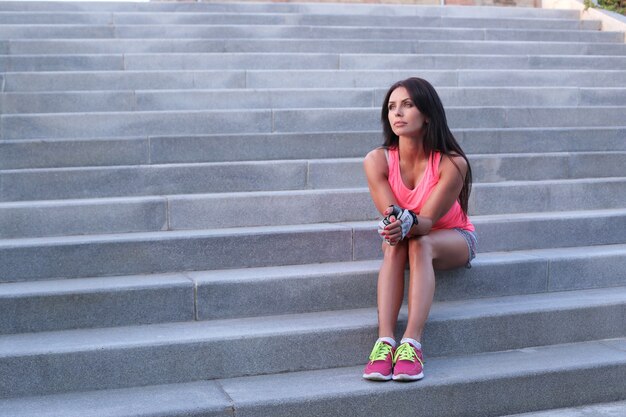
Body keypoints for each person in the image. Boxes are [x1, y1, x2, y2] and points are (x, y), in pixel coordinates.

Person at [362, 77, 477, 382]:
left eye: (408, 105)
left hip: (454, 238)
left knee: (419, 243)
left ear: (427, 113)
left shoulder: (452, 163)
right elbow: (391, 215)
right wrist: (393, 225)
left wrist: (404, 224)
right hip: (410, 235)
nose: (397, 113)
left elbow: (425, 223)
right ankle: (385, 341)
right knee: (395, 244)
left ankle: (411, 343)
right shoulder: (377, 161)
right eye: (391, 107)